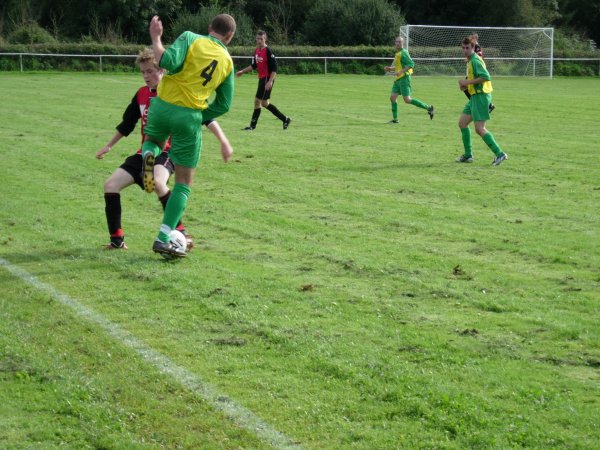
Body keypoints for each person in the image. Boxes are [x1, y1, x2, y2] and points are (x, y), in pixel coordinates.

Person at [96, 48, 233, 251]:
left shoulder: (175, 93)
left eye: (150, 71)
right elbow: (127, 123)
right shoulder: (141, 94)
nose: (146, 76)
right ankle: (117, 240)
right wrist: (108, 145)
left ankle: (181, 232)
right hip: (144, 152)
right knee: (110, 185)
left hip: (168, 152)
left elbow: (205, 117)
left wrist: (223, 140)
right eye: (143, 72)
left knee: (159, 184)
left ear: (162, 71)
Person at [142, 14, 236, 258]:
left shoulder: (190, 37)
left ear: (209, 28)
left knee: (153, 141)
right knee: (183, 183)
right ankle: (163, 237)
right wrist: (202, 113)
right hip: (189, 115)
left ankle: (149, 156)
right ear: (230, 36)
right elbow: (224, 104)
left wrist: (156, 38)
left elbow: (167, 60)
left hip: (162, 106)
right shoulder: (227, 61)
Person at [456, 35, 508, 166]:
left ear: (473, 48)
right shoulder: (470, 61)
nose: (465, 50)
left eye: (467, 48)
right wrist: (465, 86)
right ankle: (468, 155)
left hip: (481, 96)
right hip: (475, 96)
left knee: (479, 129)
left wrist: (467, 82)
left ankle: (500, 154)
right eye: (463, 48)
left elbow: (486, 77)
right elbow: (475, 79)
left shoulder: (475, 60)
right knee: (462, 123)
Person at [235, 30, 291, 130]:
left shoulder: (268, 51)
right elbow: (254, 65)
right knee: (263, 103)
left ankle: (252, 127)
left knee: (258, 101)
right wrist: (242, 71)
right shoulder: (257, 51)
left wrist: (270, 81)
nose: (259, 40)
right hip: (262, 79)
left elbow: (275, 69)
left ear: (265, 39)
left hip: (267, 79)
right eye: (258, 38)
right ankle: (285, 119)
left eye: (261, 39)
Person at [384, 36, 434, 123]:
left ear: (403, 43)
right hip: (398, 79)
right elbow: (399, 67)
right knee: (392, 98)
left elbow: (411, 64)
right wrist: (390, 69)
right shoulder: (398, 53)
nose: (397, 43)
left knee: (407, 100)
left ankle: (429, 108)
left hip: (404, 78)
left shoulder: (404, 52)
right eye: (396, 42)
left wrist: (401, 72)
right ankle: (395, 120)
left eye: (399, 42)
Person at [463, 33, 495, 113]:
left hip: (476, 71)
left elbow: (480, 55)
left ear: (475, 38)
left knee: (467, 87)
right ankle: (482, 104)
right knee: (466, 87)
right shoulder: (472, 47)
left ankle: (488, 105)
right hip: (472, 70)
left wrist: (469, 59)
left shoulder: (476, 47)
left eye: (472, 37)